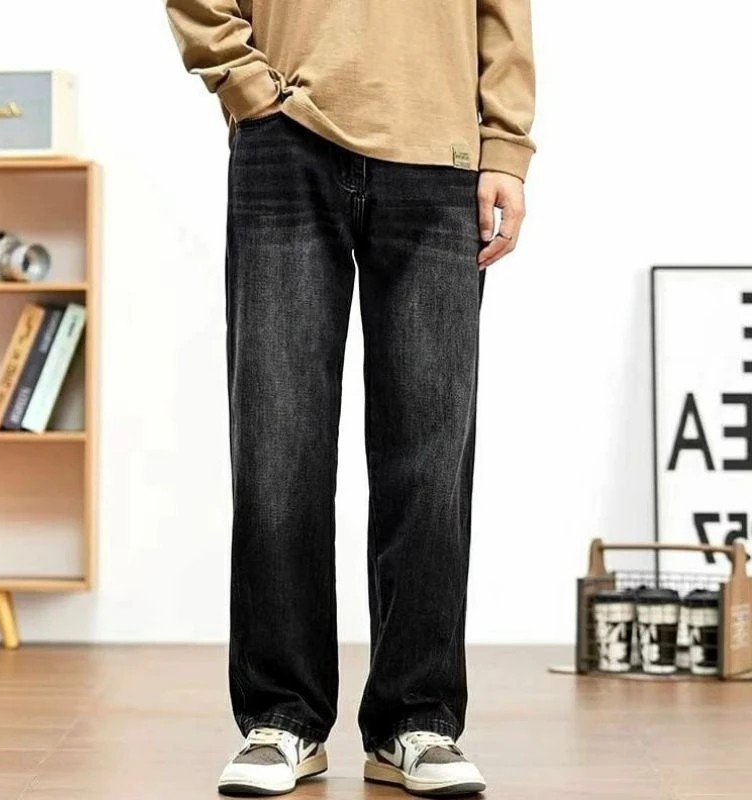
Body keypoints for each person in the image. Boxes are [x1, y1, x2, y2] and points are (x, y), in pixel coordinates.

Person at [165, 1, 535, 795]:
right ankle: (283, 719)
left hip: (440, 150)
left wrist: (506, 144)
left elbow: (504, 10)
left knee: (430, 461)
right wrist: (243, 83)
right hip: (286, 142)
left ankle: (416, 721)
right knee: (277, 447)